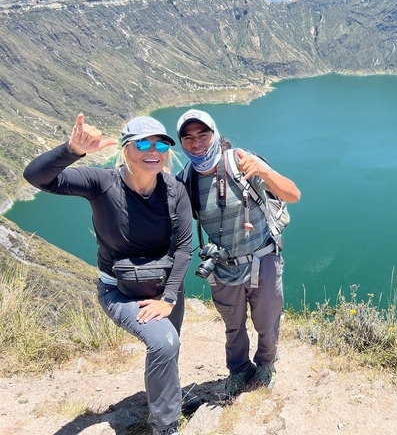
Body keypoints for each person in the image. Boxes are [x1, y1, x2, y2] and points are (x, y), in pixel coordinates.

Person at [23, 114, 197, 435]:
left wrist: (169, 297)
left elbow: (185, 248)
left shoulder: (174, 190)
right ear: (125, 149)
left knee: (169, 346)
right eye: (142, 143)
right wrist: (72, 150)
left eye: (161, 143)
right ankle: (165, 426)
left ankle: (165, 400)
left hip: (163, 287)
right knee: (164, 343)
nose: (153, 149)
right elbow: (37, 177)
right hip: (119, 290)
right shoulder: (102, 182)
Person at [175, 109, 300, 401]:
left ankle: (266, 365)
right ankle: (239, 370)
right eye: (188, 137)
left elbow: (293, 194)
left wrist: (265, 171)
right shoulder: (185, 181)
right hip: (223, 269)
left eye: (202, 134)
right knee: (233, 327)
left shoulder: (242, 164)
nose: (197, 143)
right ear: (181, 143)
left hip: (263, 259)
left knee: (266, 322)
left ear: (214, 134)